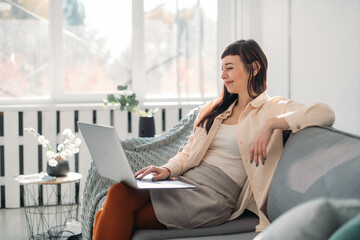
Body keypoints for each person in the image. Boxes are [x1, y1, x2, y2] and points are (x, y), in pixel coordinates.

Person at [93, 39, 335, 240]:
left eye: (229, 68)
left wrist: (272, 124)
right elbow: (189, 150)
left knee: (111, 212)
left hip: (214, 196)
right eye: (221, 69)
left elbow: (325, 112)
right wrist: (167, 169)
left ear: (255, 67)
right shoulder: (215, 109)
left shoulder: (272, 108)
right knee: (117, 193)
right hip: (185, 181)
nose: (223, 76)